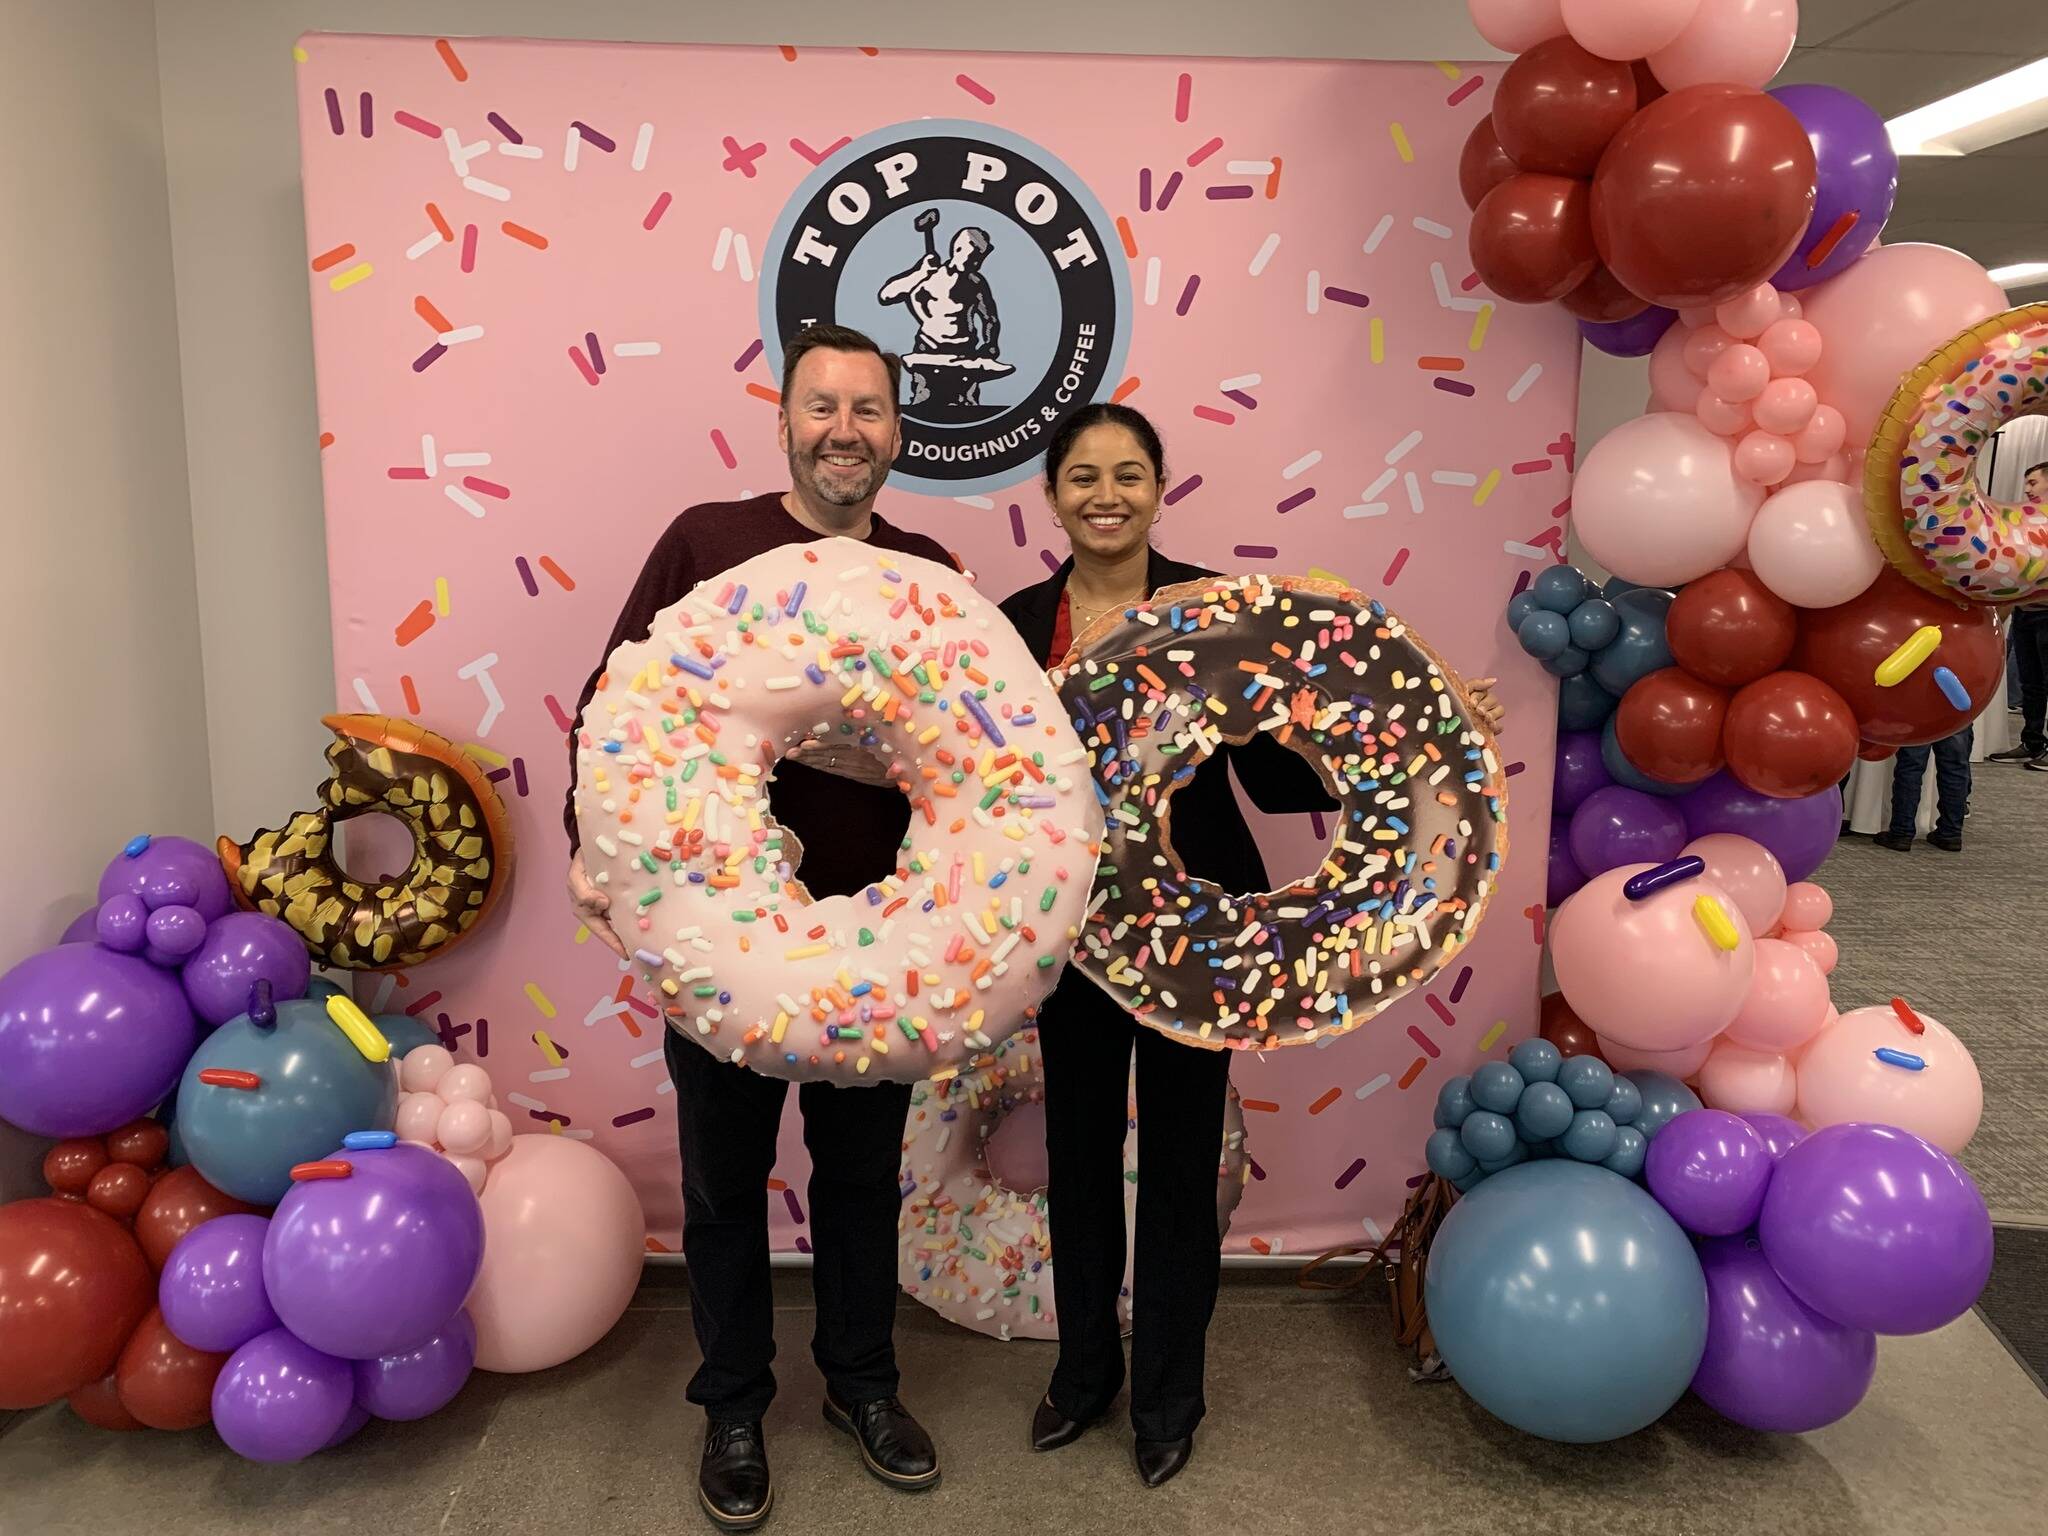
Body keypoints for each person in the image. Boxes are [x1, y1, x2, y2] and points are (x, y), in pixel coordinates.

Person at [996, 404, 1498, 1488]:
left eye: (1127, 474)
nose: (1105, 496)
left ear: (1158, 486)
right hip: (1070, 932)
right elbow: (991, 781)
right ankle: (1082, 1375)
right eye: (1081, 477)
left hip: (1207, 929)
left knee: (1179, 1167)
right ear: (1050, 495)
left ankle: (1168, 1397)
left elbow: (1278, 763)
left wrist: (1421, 734)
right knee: (1078, 1161)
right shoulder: (1015, 623)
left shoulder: (1212, 606)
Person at [564, 324, 946, 1531]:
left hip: (877, 945)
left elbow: (973, 766)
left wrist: (850, 749)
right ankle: (732, 1404)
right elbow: (610, 713)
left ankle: (860, 1386)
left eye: (870, 410)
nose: (846, 430)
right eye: (823, 406)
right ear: (783, 418)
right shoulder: (708, 541)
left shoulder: (926, 569)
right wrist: (599, 854)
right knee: (724, 1185)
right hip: (720, 945)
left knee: (859, 1181)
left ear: (898, 430)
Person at [1989, 462, 2048, 769]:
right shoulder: (2026, 522)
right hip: (2026, 614)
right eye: (2026, 482)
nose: (2027, 489)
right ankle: (2033, 743)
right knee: (2030, 684)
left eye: (2033, 482)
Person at [1874, 723, 1973, 852]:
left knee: (1911, 766)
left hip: (1920, 707)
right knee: (1954, 769)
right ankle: (1951, 833)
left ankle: (1901, 832)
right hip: (1958, 707)